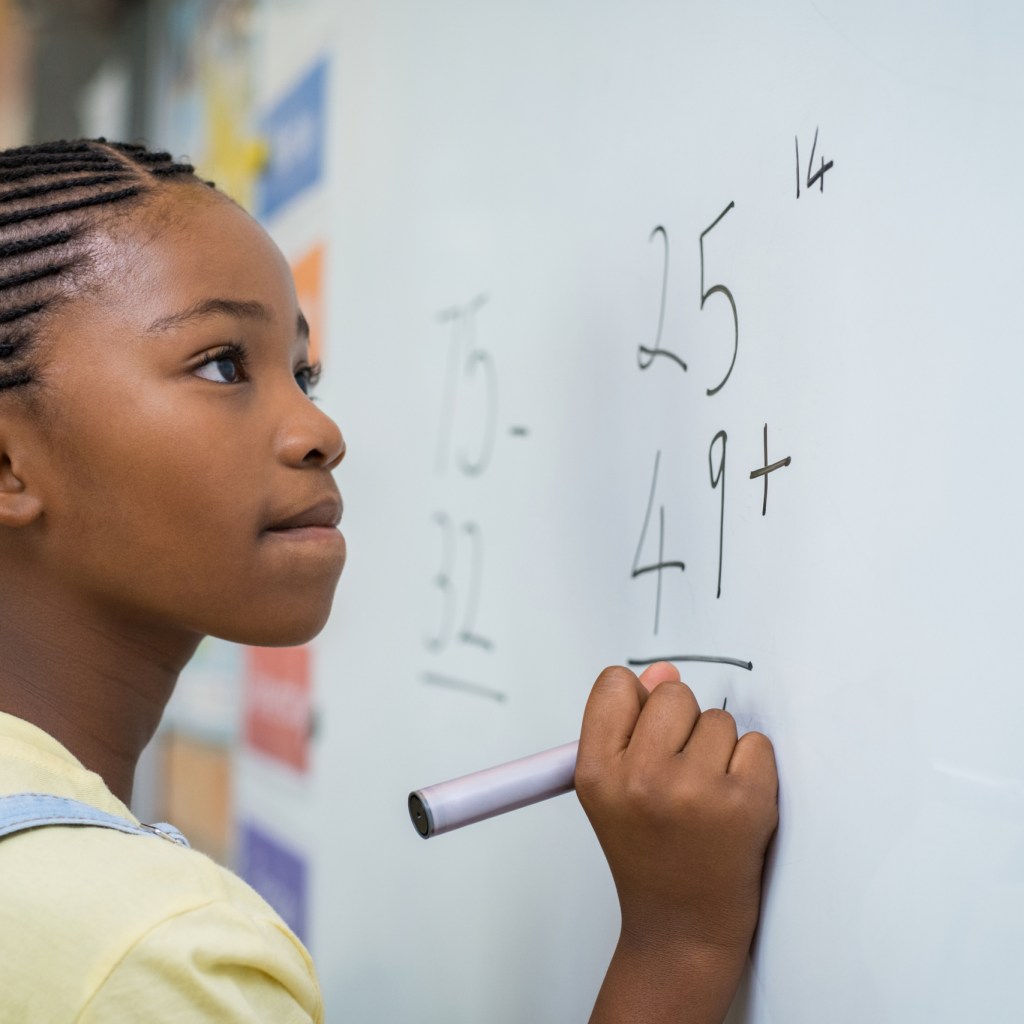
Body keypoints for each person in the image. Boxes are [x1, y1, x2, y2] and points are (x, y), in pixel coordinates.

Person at [0, 138, 778, 1023]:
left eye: (303, 373)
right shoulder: (147, 955)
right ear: (7, 464)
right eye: (222, 364)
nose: (318, 429)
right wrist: (678, 946)